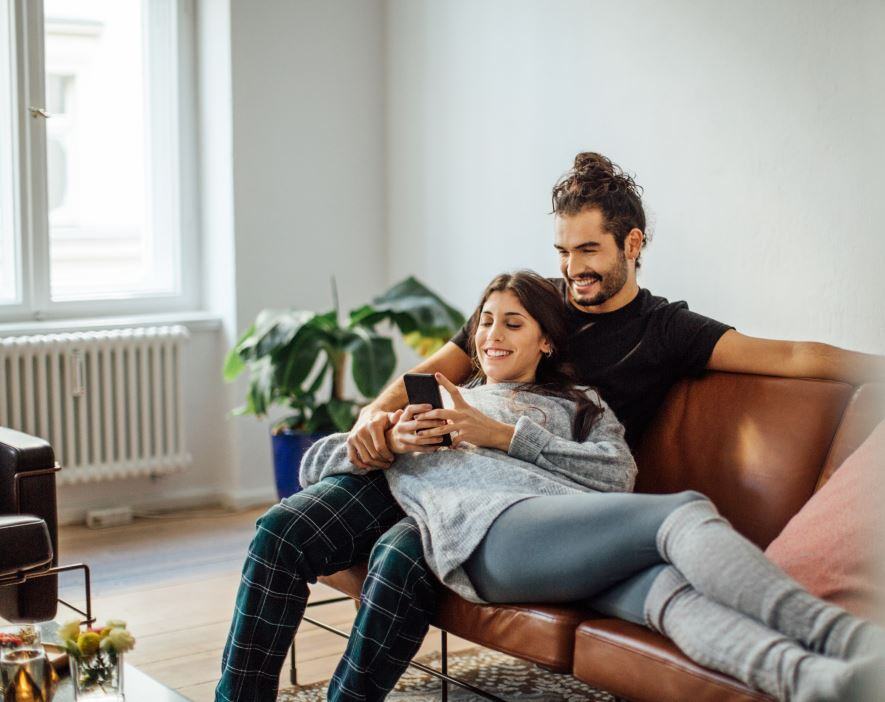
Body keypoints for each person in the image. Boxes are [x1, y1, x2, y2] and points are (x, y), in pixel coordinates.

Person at [216, 154, 885, 701]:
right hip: (439, 476)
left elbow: (796, 358)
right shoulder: (527, 303)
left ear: (632, 244)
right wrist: (374, 419)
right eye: (562, 251)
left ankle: (826, 680)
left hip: (539, 505)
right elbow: (438, 367)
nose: (571, 270)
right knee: (284, 531)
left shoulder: (663, 332)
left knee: (666, 591)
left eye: (588, 250)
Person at [300, 270, 884, 702]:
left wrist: (507, 435)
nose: (493, 336)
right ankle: (847, 640)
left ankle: (817, 682)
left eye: (513, 322)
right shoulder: (446, 406)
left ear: (545, 342)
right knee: (680, 513)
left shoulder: (583, 405)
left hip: (576, 538)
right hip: (488, 535)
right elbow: (322, 464)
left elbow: (616, 476)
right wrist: (383, 435)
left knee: (668, 594)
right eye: (485, 322)